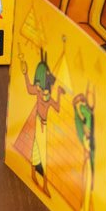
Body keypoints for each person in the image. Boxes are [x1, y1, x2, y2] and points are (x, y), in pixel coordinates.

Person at [20, 50, 65, 198]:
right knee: (39, 151)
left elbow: (57, 107)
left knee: (40, 151)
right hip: (39, 122)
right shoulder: (39, 92)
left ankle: (42, 180)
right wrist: (25, 73)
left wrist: (59, 93)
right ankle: (39, 179)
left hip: (44, 125)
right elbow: (29, 88)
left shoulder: (48, 96)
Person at [73, 91, 96, 211]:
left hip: (89, 162)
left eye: (82, 105)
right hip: (86, 161)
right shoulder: (86, 119)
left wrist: (78, 108)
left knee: (86, 194)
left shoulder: (88, 117)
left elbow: (84, 117)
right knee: (83, 193)